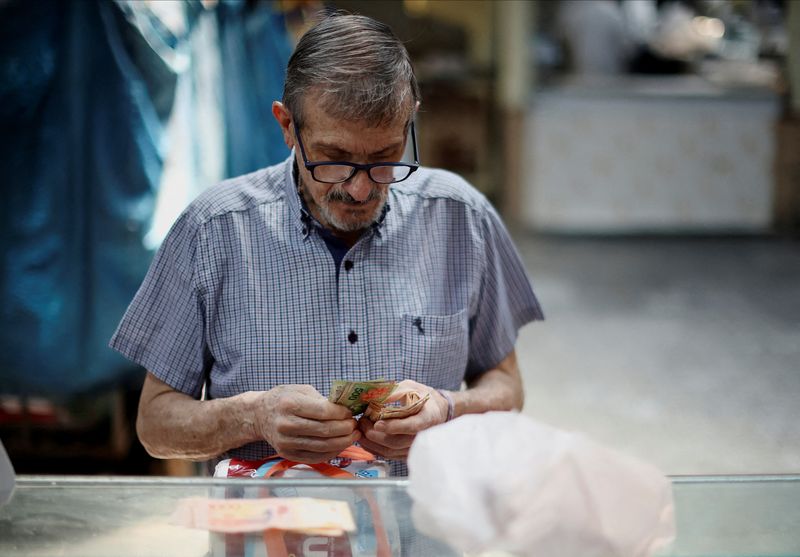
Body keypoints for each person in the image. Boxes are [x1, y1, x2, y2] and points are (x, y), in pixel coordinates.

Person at [110, 13, 543, 476]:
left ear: (409, 121)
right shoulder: (212, 230)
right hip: (267, 540)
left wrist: (448, 410)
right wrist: (251, 416)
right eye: (334, 159)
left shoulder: (461, 218)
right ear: (288, 127)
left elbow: (505, 386)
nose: (360, 190)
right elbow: (154, 425)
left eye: (384, 158)